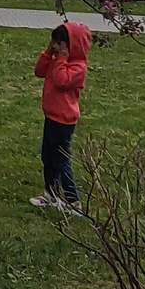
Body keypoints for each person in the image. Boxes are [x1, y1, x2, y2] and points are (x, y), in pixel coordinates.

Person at [30, 21, 92, 212]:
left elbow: (61, 81)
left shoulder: (78, 67)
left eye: (60, 43)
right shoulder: (57, 61)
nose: (56, 47)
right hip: (51, 116)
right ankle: (51, 193)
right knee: (47, 157)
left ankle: (73, 201)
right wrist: (48, 53)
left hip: (63, 121)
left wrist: (61, 58)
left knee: (61, 160)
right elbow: (39, 71)